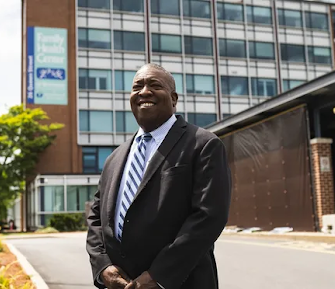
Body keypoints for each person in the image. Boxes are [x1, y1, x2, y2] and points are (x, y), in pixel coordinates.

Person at [86, 63, 231, 289]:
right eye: (137, 87)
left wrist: (157, 276)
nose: (144, 91)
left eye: (154, 85)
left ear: (174, 99)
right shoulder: (114, 158)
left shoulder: (203, 145)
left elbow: (208, 217)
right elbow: (96, 218)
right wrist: (103, 268)